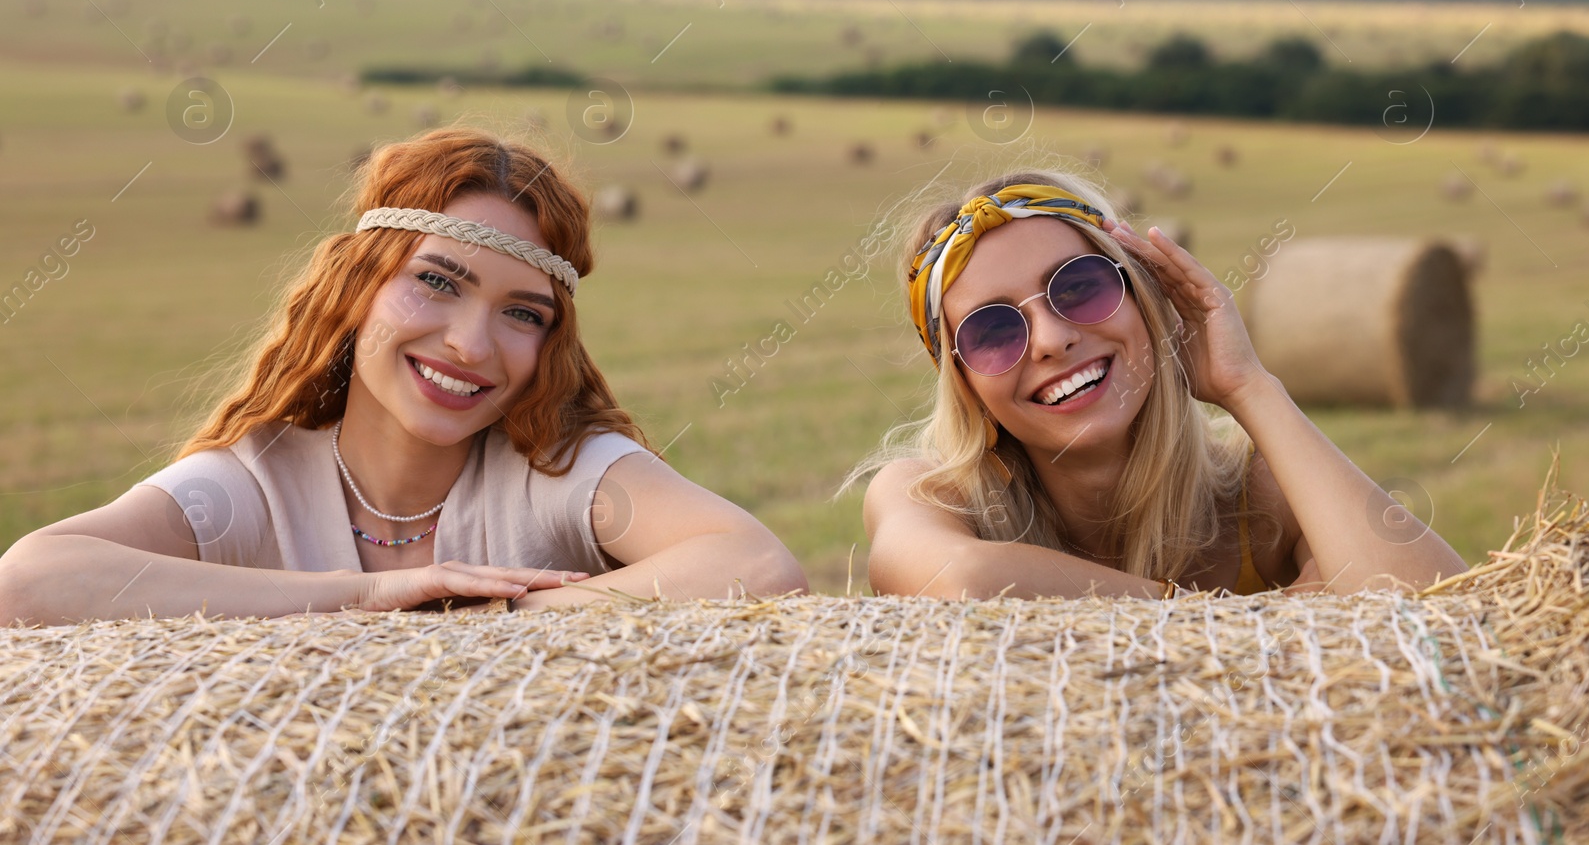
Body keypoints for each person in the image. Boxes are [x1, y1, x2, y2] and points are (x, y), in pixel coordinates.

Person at [0, 128, 806, 626]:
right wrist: (362, 600)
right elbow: (28, 583)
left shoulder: (557, 469)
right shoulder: (250, 486)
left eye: (522, 313)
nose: (470, 344)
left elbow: (756, 564)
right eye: (439, 282)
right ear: (357, 285)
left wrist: (486, 622)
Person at [854, 169, 1468, 600]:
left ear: (1147, 296)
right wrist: (1232, 618)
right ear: (962, 382)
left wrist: (1248, 386)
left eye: (1078, 287)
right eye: (992, 331)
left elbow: (1438, 610)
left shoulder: (1258, 492)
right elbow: (965, 581)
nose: (1048, 340)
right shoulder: (929, 497)